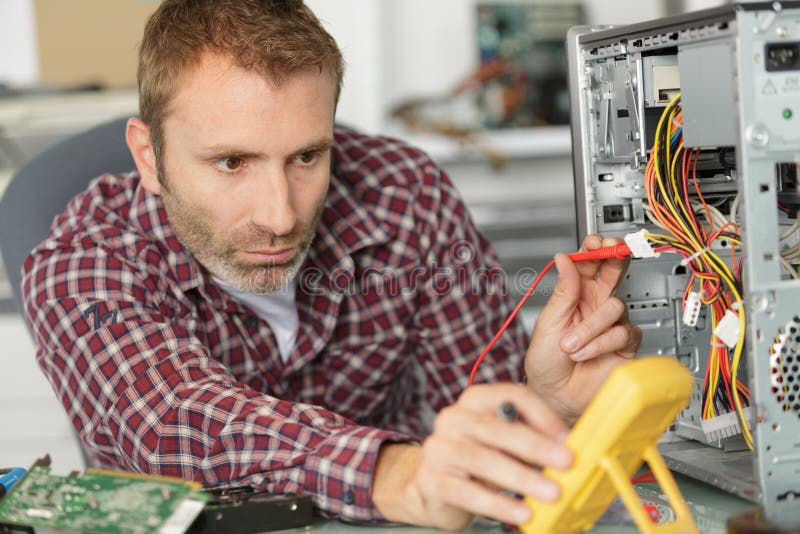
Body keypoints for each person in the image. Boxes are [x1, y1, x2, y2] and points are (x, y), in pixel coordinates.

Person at [20, 0, 641, 529]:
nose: (281, 214)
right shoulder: (80, 261)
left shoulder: (405, 194)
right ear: (149, 158)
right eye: (232, 162)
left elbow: (488, 422)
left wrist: (546, 405)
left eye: (306, 156)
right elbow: (169, 420)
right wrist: (397, 473)